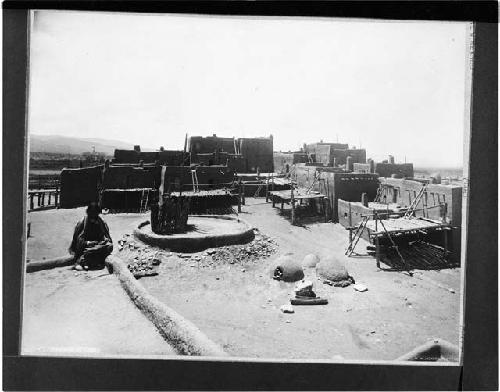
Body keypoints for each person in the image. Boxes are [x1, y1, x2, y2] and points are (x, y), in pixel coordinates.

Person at [69, 202, 113, 271]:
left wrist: (105, 240)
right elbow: (77, 240)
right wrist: (88, 243)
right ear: (88, 213)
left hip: (97, 245)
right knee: (89, 251)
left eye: (95, 214)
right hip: (85, 246)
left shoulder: (101, 222)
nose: (94, 216)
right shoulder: (82, 222)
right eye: (92, 214)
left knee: (109, 246)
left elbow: (106, 236)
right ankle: (83, 260)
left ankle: (87, 260)